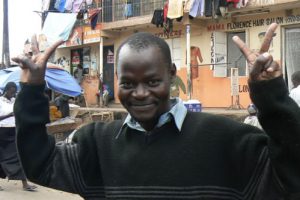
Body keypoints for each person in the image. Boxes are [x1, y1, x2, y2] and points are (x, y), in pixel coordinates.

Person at [12, 23, 300, 199]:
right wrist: (32, 90)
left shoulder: (226, 139)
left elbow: (290, 176)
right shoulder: (96, 144)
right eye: (128, 83)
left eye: (152, 81)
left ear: (171, 75)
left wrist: (269, 93)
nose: (139, 94)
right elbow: (41, 164)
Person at [0, 82, 36, 191]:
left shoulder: (15, 101)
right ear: (6, 90)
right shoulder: (0, 101)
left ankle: (25, 184)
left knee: (19, 156)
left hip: (14, 130)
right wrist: (9, 115)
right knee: (1, 157)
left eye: (14, 92)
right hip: (2, 132)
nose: (13, 94)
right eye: (11, 92)